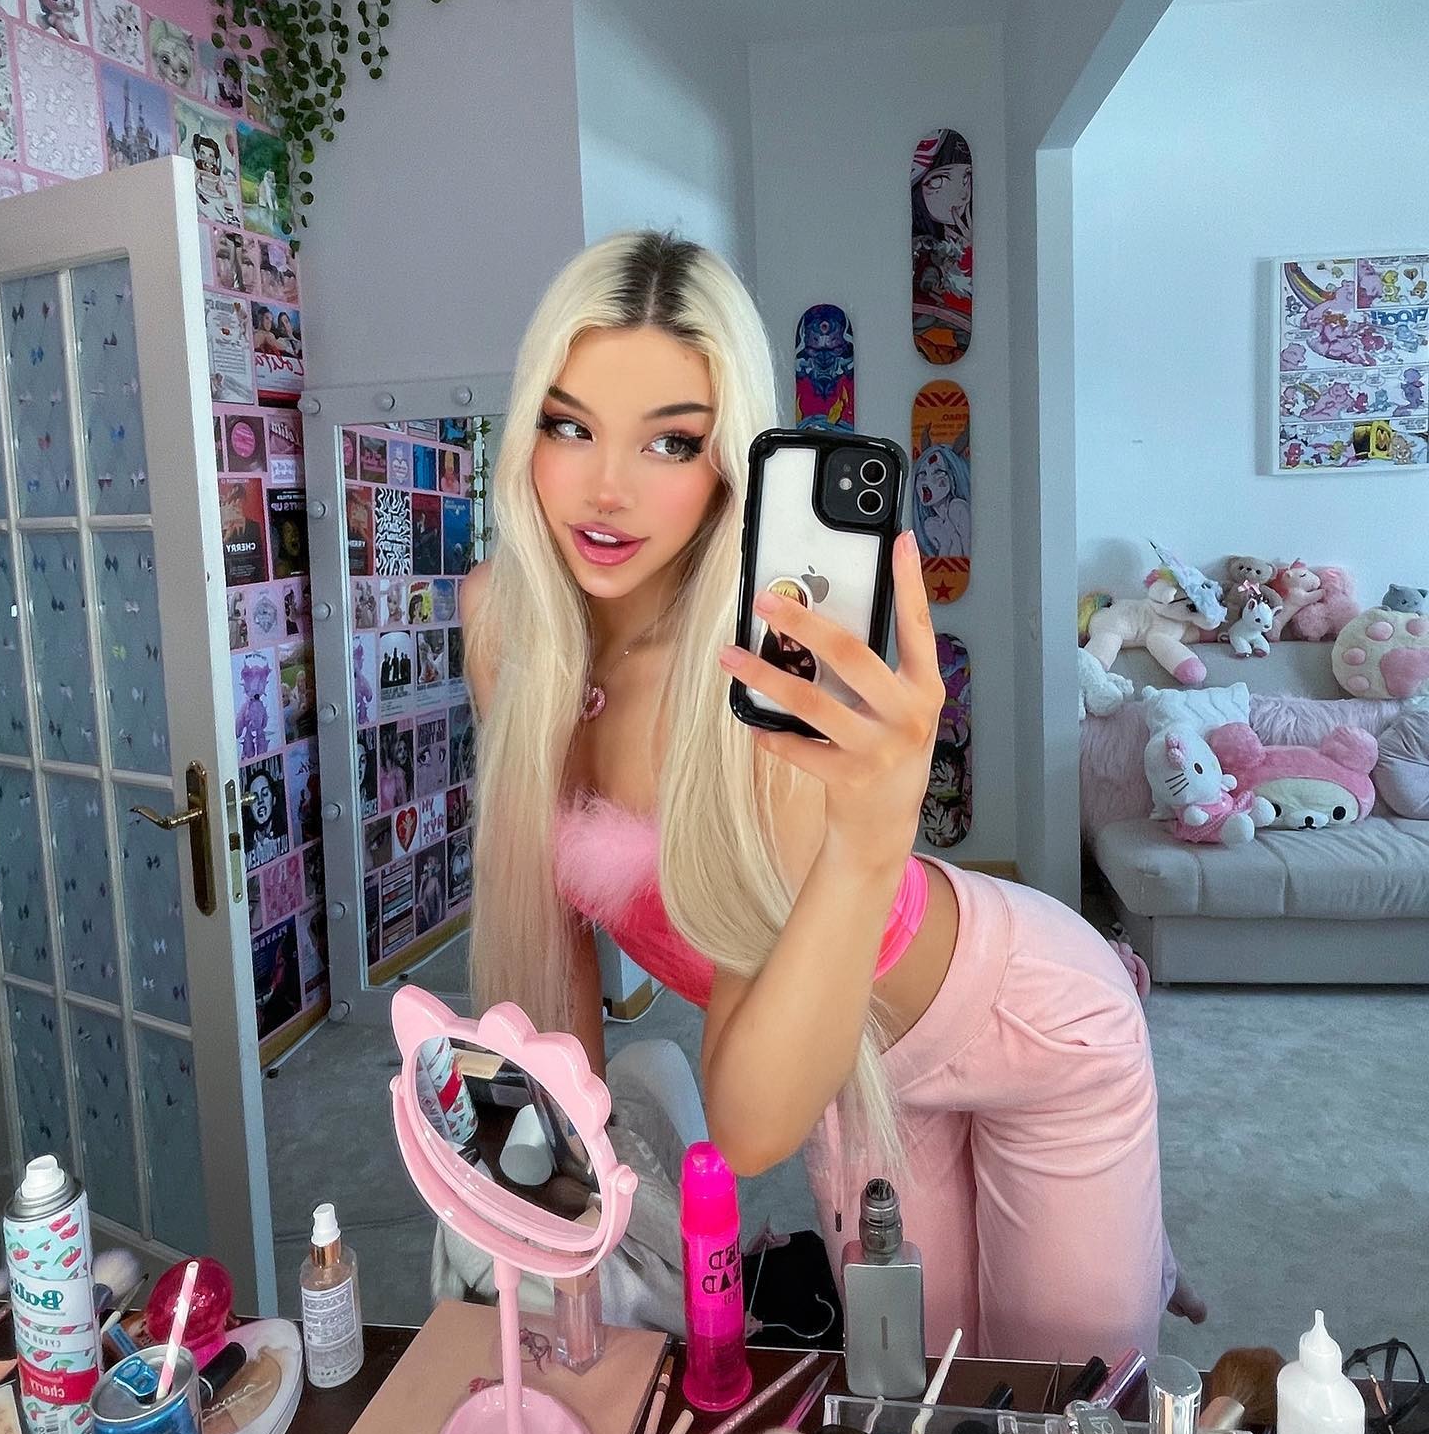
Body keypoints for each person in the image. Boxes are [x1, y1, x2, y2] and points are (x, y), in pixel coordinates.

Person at [449, 229, 1191, 1360]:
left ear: (730, 462)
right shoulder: (504, 624)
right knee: (911, 1391)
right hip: (847, 1066)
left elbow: (746, 1131)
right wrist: (566, 1208)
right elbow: (553, 972)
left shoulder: (762, 670)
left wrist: (872, 832)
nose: (607, 488)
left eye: (671, 441)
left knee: (1073, 1397)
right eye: (569, 425)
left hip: (1035, 1023)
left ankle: (1133, 1243)